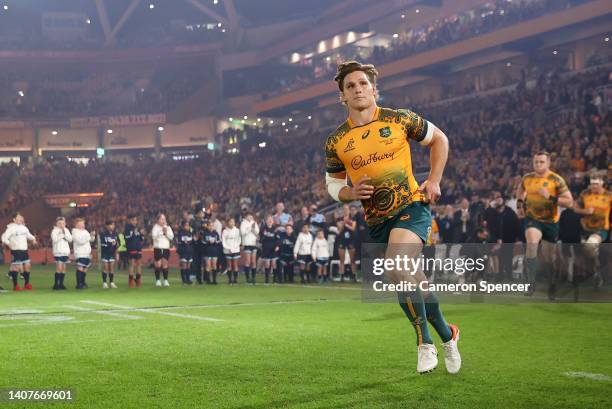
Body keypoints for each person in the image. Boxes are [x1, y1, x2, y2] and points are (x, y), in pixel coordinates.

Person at [324, 61, 460, 374]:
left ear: (374, 89)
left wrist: (435, 179)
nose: (357, 89)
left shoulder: (399, 118)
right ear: (342, 96)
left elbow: (440, 139)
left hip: (411, 207)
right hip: (377, 220)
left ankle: (424, 344)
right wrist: (349, 193)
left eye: (362, 84)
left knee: (398, 264)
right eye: (350, 86)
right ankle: (448, 334)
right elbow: (333, 182)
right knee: (412, 281)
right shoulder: (336, 141)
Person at [516, 151, 573, 295]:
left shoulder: (556, 179)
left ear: (548, 163)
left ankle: (552, 283)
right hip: (532, 219)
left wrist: (550, 197)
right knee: (532, 244)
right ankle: (531, 282)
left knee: (550, 257)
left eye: (541, 162)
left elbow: (569, 202)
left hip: (550, 222)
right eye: (536, 162)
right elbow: (520, 190)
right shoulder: (527, 178)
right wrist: (519, 204)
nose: (538, 164)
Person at [574, 177, 611, 287]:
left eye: (596, 184)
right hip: (585, 229)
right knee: (587, 254)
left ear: (602, 183)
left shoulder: (609, 195)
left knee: (590, 246)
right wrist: (585, 211)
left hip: (601, 229)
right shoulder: (585, 193)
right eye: (592, 184)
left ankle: (597, 261)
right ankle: (596, 273)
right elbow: (575, 208)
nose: (593, 186)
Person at [2, 213, 37, 291]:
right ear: (14, 219)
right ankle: (16, 286)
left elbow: (29, 235)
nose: (21, 218)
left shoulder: (24, 228)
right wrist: (9, 245)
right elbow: (4, 238)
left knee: (27, 266)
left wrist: (33, 239)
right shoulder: (11, 228)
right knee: (17, 267)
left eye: (21, 217)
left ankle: (26, 284)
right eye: (18, 217)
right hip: (16, 250)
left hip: (24, 250)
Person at [152, 213, 174, 287]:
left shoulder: (168, 227)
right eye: (161, 219)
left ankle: (165, 280)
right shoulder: (155, 227)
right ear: (158, 220)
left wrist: (166, 232)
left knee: (165, 264)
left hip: (165, 248)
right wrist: (160, 232)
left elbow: (171, 237)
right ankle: (158, 280)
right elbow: (154, 237)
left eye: (164, 219)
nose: (163, 220)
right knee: (158, 264)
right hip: (158, 248)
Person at [72, 218, 94, 290]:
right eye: (82, 223)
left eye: (83, 223)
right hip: (80, 252)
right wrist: (88, 237)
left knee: (85, 268)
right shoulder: (75, 232)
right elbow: (80, 241)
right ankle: (79, 284)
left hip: (86, 252)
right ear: (77, 224)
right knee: (80, 267)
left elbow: (91, 240)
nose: (83, 225)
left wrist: (92, 235)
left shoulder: (85, 231)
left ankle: (83, 282)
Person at [51, 216, 71, 290]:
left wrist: (64, 234)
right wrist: (62, 235)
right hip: (58, 252)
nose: (61, 225)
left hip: (65, 252)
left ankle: (61, 284)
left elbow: (70, 239)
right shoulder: (54, 231)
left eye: (63, 223)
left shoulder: (66, 230)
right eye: (59, 223)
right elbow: (55, 239)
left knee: (64, 269)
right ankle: (56, 284)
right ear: (57, 223)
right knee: (59, 268)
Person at [124, 214, 144, 288]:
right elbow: (127, 238)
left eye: (136, 220)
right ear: (130, 220)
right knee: (131, 264)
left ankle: (138, 279)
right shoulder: (127, 228)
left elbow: (141, 239)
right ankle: (131, 280)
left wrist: (142, 234)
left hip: (138, 248)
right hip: (131, 248)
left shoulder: (137, 228)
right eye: (133, 220)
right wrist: (133, 233)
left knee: (139, 264)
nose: (135, 221)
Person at [240, 212, 259, 284]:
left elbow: (257, 232)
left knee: (253, 261)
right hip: (247, 244)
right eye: (249, 216)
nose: (250, 217)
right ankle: (248, 278)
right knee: (247, 261)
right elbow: (242, 233)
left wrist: (253, 228)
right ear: (246, 216)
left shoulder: (254, 222)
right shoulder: (243, 223)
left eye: (251, 216)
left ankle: (253, 278)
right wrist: (250, 228)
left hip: (253, 243)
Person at [99, 220, 119, 289]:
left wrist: (116, 245)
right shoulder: (103, 234)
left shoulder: (115, 234)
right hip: (105, 252)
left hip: (112, 253)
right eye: (111, 225)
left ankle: (111, 282)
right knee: (105, 267)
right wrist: (110, 243)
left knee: (112, 268)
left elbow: (118, 243)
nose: (112, 226)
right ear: (107, 226)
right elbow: (103, 244)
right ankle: (104, 283)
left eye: (113, 225)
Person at [260, 215, 280, 283]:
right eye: (268, 220)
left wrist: (277, 246)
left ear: (273, 221)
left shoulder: (275, 229)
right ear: (266, 221)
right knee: (267, 264)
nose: (270, 221)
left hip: (273, 248)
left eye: (271, 220)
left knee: (274, 264)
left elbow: (278, 239)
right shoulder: (263, 229)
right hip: (266, 248)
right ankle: (267, 279)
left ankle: (275, 279)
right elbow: (260, 238)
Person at [222, 218, 241, 285]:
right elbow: (223, 241)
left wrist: (234, 247)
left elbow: (239, 240)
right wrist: (228, 248)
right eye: (230, 222)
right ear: (228, 223)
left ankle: (235, 280)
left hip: (236, 250)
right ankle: (230, 279)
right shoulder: (225, 231)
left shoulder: (237, 230)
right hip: (228, 251)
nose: (232, 223)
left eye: (233, 222)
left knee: (235, 265)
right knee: (229, 265)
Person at [202, 220, 221, 285]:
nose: (211, 227)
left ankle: (214, 280)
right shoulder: (205, 233)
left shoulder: (216, 233)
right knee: (208, 265)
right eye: (210, 226)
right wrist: (208, 242)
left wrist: (214, 242)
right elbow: (203, 242)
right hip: (207, 251)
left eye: (212, 226)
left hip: (214, 251)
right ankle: (208, 280)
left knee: (214, 265)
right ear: (207, 226)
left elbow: (218, 242)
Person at [176, 221, 194, 285]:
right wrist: (183, 242)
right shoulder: (180, 233)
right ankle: (184, 280)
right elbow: (179, 242)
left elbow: (192, 242)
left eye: (188, 225)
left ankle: (188, 279)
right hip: (183, 251)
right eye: (186, 225)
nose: (187, 227)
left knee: (188, 266)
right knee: (184, 265)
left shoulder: (190, 233)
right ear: (183, 226)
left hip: (189, 251)